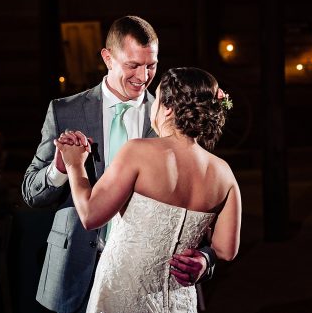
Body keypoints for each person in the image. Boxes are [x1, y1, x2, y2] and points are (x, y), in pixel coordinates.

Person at [22, 16, 215, 313]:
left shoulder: (174, 119)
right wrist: (59, 168)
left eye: (151, 65)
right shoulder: (65, 111)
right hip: (73, 270)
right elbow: (32, 193)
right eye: (133, 65)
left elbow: (198, 202)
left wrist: (205, 258)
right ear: (108, 58)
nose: (144, 75)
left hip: (145, 280)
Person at [56, 67, 241, 312]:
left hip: (123, 295)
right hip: (178, 300)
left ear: (167, 107)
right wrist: (205, 261)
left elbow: (91, 215)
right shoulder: (224, 173)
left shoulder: (139, 152)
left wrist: (74, 164)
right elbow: (226, 250)